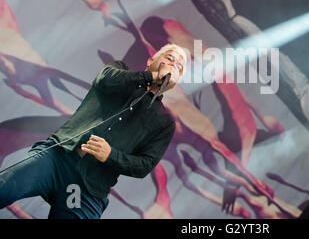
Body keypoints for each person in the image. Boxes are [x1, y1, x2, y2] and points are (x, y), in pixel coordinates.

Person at [0, 43, 187, 219]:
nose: (173, 65)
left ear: (176, 81)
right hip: (57, 157)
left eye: (179, 67)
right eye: (170, 58)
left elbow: (144, 165)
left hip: (88, 188)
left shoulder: (164, 123)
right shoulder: (119, 70)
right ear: (150, 61)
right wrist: (152, 78)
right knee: (5, 186)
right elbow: (104, 79)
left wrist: (110, 155)